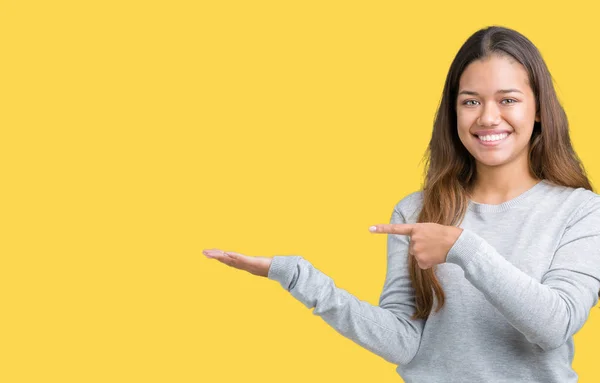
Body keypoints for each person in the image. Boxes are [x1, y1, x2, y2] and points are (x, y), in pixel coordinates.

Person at [202, 26, 600, 382]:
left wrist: (463, 248)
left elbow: (554, 325)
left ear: (540, 111)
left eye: (508, 100)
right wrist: (299, 279)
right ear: (453, 112)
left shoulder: (580, 212)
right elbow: (405, 343)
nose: (488, 117)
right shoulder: (416, 211)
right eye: (471, 102)